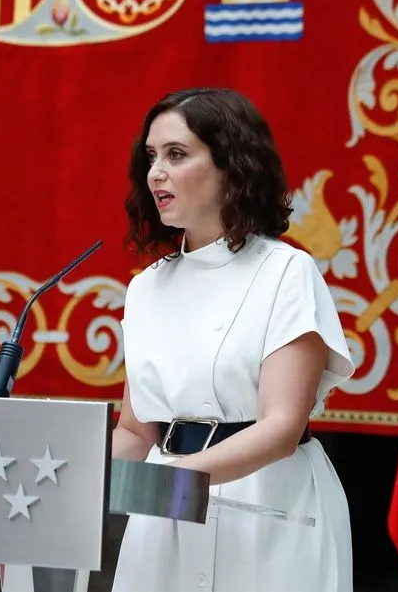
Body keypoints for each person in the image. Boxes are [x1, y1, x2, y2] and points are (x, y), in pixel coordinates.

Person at [111, 88, 356, 592]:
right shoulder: (145, 287)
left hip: (268, 505)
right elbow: (137, 432)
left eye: (176, 155)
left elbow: (282, 426)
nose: (156, 171)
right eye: (151, 156)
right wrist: (73, 481)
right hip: (166, 514)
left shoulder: (286, 271)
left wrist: (168, 484)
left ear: (231, 166)